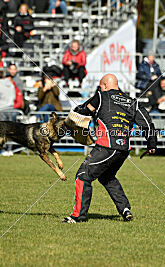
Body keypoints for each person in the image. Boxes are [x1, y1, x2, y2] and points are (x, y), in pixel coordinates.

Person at [62, 74, 157, 223]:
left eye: (100, 86)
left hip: (106, 147)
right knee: (106, 177)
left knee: (82, 175)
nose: (100, 89)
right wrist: (151, 143)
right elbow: (147, 123)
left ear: (105, 85)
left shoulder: (101, 96)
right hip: (124, 150)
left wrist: (70, 119)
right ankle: (125, 209)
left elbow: (84, 110)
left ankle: (77, 216)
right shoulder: (132, 102)